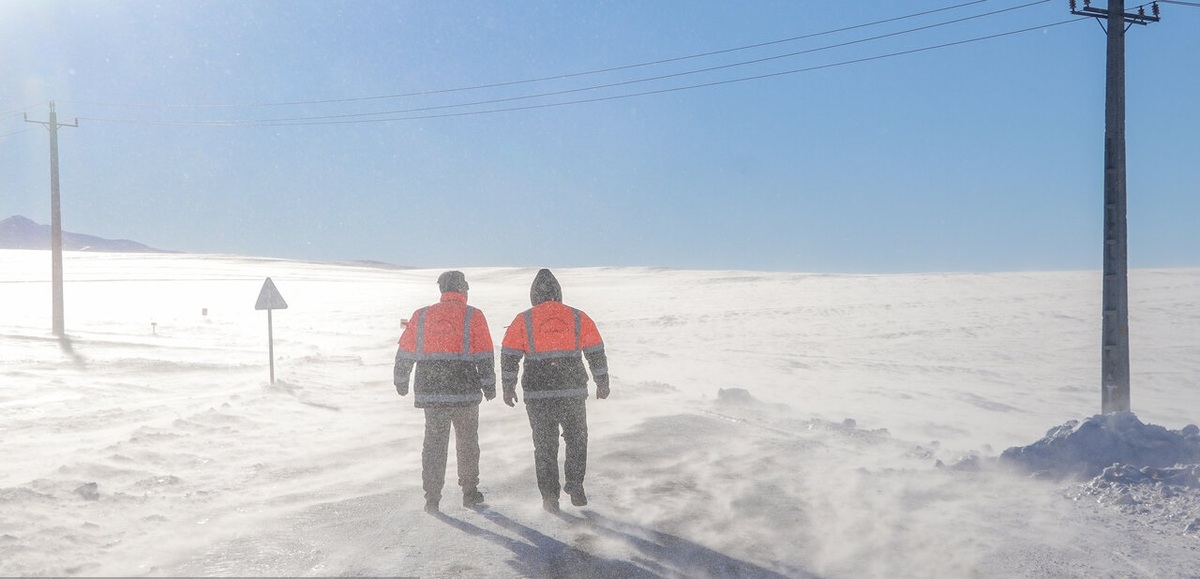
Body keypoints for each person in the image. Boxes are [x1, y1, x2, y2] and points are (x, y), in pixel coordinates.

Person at [501, 269, 609, 513]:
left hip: (538, 396)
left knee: (545, 447)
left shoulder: (523, 319)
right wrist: (602, 382)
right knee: (577, 439)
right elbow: (595, 352)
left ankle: (550, 497)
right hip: (572, 392)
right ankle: (575, 484)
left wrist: (508, 387)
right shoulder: (577, 317)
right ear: (558, 292)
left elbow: (509, 356)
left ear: (533, 295)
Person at [394, 271, 496, 514]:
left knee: (433, 445)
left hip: (432, 394)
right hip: (465, 394)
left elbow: (405, 352)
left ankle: (432, 497)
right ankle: (470, 492)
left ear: (442, 290)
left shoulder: (422, 315)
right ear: (463, 289)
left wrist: (401, 379)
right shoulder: (473, 315)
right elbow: (484, 353)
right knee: (468, 443)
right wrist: (489, 384)